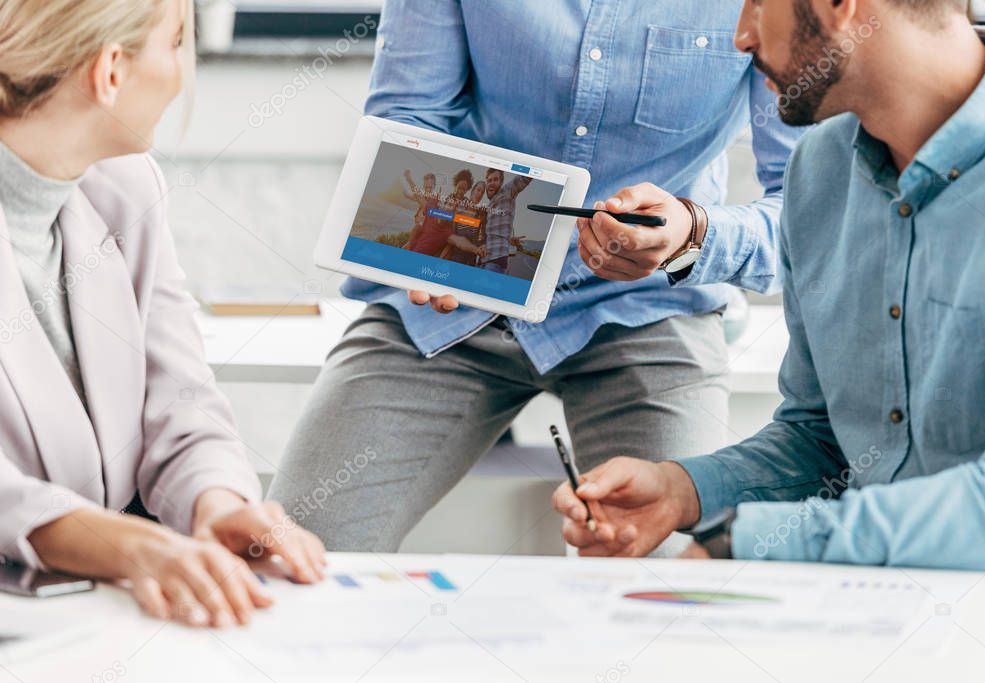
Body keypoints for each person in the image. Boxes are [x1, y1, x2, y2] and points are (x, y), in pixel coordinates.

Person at [269, 0, 803, 552]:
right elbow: (408, 124)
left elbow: (811, 204)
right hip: (454, 301)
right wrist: (420, 235)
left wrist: (694, 235)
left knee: (663, 583)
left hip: (646, 311)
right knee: (287, 553)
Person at [554, 0, 985, 574]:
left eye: (754, 3)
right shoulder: (819, 172)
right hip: (872, 616)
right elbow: (824, 444)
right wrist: (682, 490)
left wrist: (742, 542)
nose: (741, 37)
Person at [0, 0, 326, 627]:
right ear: (111, 71)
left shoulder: (123, 186)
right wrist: (128, 545)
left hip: (80, 607)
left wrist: (216, 500)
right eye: (175, 42)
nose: (181, 74)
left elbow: (181, 399)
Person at [478, 168, 530, 275]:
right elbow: (493, 234)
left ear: (501, 182)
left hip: (496, 260)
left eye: (495, 179)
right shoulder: (489, 207)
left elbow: (525, 177)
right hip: (482, 260)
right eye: (489, 180)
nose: (491, 183)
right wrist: (509, 239)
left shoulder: (507, 191)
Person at [442, 180, 488, 266]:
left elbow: (482, 238)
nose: (480, 194)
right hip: (455, 258)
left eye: (482, 193)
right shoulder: (459, 209)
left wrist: (483, 245)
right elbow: (448, 231)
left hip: (470, 261)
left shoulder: (480, 215)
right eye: (478, 190)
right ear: (472, 191)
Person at [401, 169, 439, 249]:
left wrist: (409, 179)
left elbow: (418, 195)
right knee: (409, 244)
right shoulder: (423, 196)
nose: (427, 189)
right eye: (426, 187)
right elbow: (412, 196)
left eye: (430, 187)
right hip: (420, 225)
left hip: (426, 227)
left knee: (411, 244)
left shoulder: (435, 198)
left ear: (434, 185)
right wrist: (404, 193)